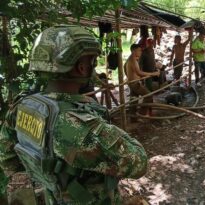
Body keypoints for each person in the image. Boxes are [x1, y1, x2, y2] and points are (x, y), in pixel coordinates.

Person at [0, 25, 148, 205]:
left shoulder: (22, 106)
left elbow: (8, 161)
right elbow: (139, 162)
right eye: (92, 61)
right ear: (81, 68)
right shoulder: (79, 126)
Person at [126, 44, 159, 117]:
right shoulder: (132, 60)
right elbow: (139, 72)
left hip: (132, 82)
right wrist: (153, 73)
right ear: (134, 51)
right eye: (139, 50)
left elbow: (135, 72)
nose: (141, 52)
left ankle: (133, 118)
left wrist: (138, 77)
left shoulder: (131, 59)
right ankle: (141, 113)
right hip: (135, 83)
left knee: (133, 100)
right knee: (149, 95)